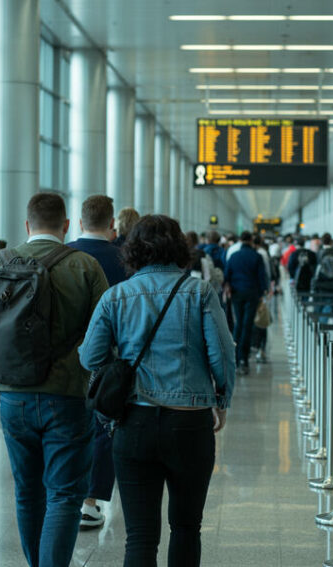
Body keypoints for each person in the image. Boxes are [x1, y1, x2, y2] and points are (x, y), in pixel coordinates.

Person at [0, 192, 108, 566]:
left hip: (12, 398)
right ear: (67, 226)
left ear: (27, 226)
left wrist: (4, 354)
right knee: (64, 494)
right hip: (69, 397)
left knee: (27, 492)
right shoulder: (85, 266)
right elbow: (106, 333)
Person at [78, 215, 235, 567]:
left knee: (140, 535)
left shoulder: (115, 296)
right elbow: (222, 354)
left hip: (133, 423)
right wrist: (221, 400)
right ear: (178, 247)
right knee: (186, 526)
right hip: (190, 424)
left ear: (132, 249)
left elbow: (90, 357)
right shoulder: (199, 292)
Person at [66, 195, 127, 530]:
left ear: (78, 222)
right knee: (104, 426)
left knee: (70, 423)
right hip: (111, 358)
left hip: (65, 357)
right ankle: (90, 501)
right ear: (112, 224)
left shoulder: (64, 255)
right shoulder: (123, 259)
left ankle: (66, 492)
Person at [225, 231, 268, 374]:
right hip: (252, 293)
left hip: (237, 293)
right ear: (250, 240)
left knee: (238, 324)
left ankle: (235, 359)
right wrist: (263, 293)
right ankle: (244, 359)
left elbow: (227, 275)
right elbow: (262, 277)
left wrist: (229, 288)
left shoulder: (234, 256)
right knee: (247, 325)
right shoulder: (257, 256)